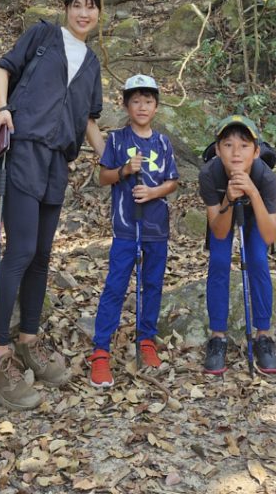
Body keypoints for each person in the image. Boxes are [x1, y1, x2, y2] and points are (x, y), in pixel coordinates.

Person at [0, 0, 104, 410]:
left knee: (43, 254)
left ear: (99, 15)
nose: (84, 13)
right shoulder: (43, 36)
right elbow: (3, 68)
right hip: (24, 149)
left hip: (57, 163)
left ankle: (29, 340)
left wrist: (114, 162)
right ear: (65, 7)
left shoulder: (91, 64)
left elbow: (88, 120)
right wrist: (3, 109)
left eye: (92, 7)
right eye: (77, 5)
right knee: (21, 250)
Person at [88, 74, 179, 388]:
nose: (142, 107)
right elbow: (103, 178)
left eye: (148, 101)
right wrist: (125, 170)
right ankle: (100, 351)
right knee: (115, 285)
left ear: (156, 107)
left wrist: (154, 193)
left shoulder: (163, 142)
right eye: (136, 101)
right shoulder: (116, 140)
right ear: (126, 105)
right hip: (126, 226)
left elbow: (173, 181)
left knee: (152, 284)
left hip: (156, 226)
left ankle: (147, 339)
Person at [199, 114, 276, 376]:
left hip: (255, 210)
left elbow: (269, 237)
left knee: (258, 258)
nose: (236, 153)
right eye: (228, 145)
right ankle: (218, 337)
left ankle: (263, 336)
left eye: (244, 146)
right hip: (224, 209)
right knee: (220, 261)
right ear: (217, 150)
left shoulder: (264, 177)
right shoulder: (209, 174)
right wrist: (228, 200)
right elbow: (220, 232)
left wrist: (253, 192)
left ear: (256, 151)